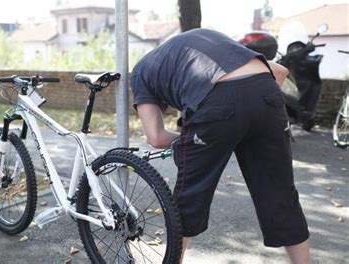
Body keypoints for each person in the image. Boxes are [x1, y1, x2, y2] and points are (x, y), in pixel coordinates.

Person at [131, 28, 310, 264]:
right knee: (280, 194)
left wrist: (196, 139)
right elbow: (280, 71)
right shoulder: (203, 39)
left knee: (189, 199)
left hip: (216, 99)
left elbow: (156, 137)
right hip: (266, 92)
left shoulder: (141, 72)